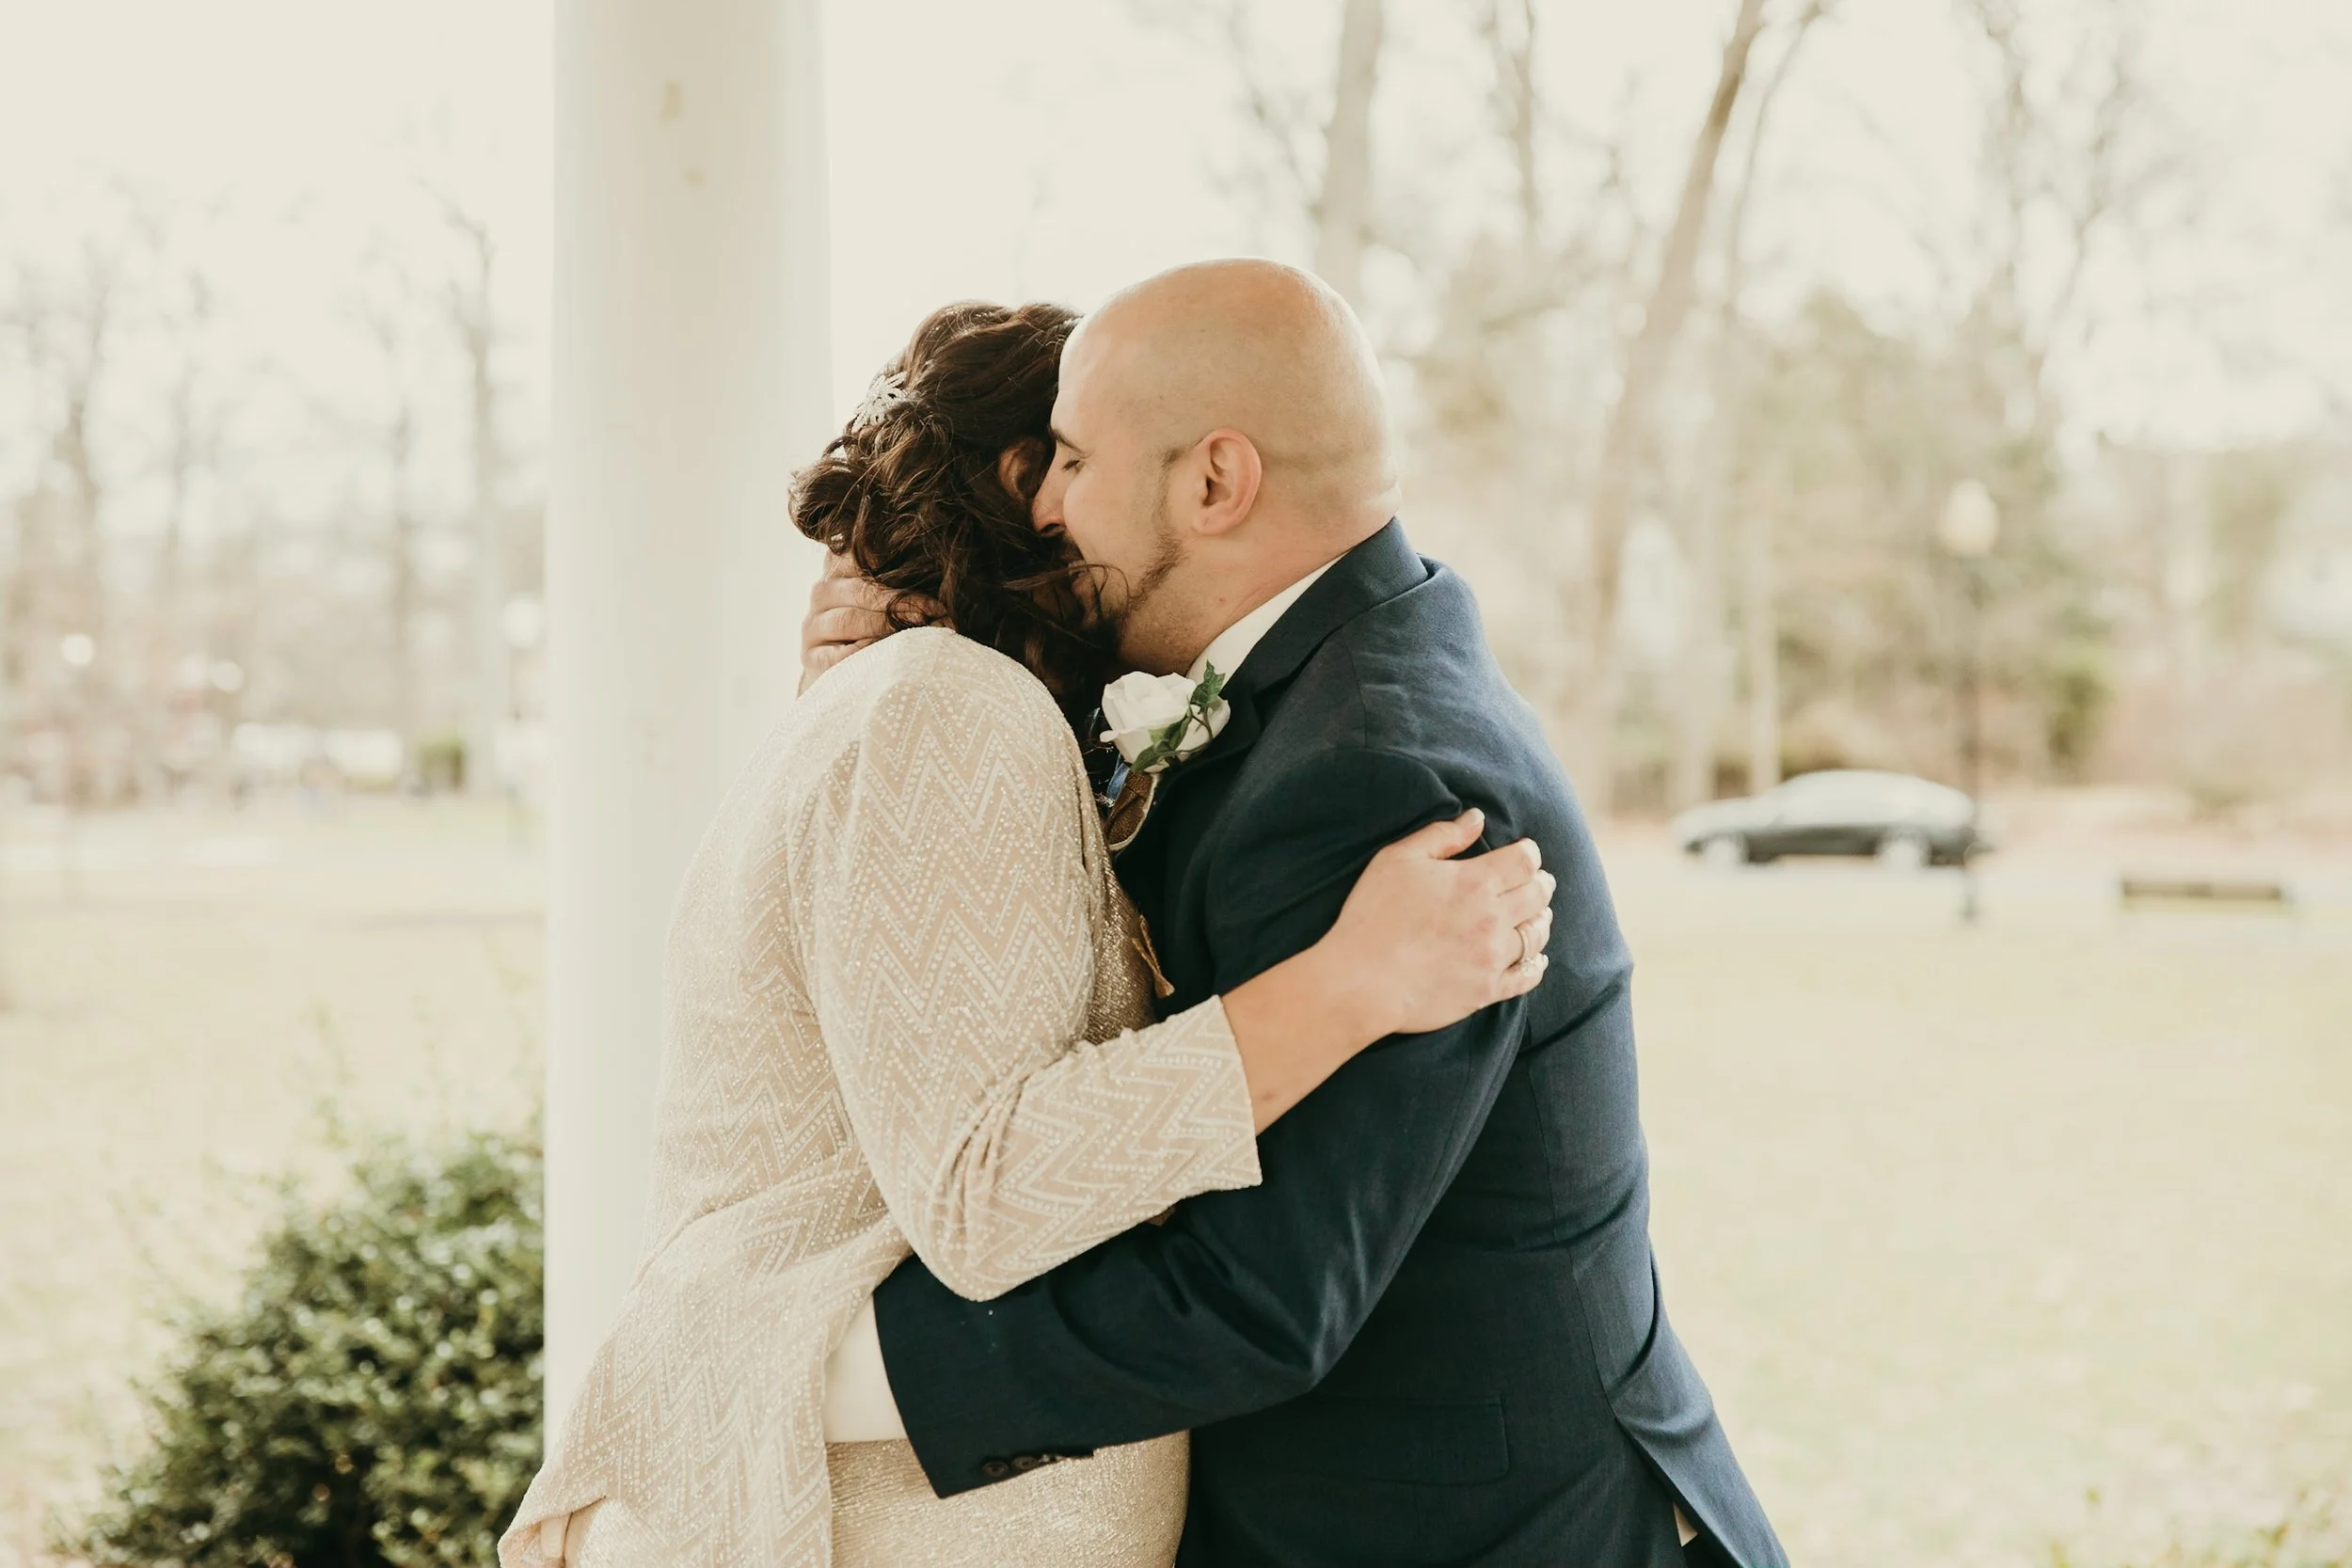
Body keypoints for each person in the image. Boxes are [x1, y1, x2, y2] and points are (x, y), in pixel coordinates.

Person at [497, 300, 1558, 1568]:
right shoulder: (945, 708)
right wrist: (1344, 985)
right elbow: (983, 1193)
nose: (1069, 497)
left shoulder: (925, 707)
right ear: (1017, 479)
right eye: (1068, 457)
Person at [805, 261, 1788, 1567]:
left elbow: (1256, 1300)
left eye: (1075, 461)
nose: (1043, 506)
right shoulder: (1337, 673)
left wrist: (825, 1378)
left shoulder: (1382, 781)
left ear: (1215, 481)